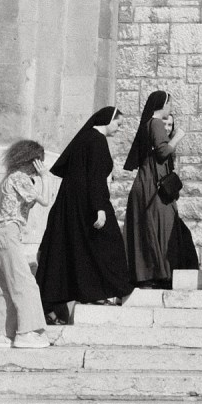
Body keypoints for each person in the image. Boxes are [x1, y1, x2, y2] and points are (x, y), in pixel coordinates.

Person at [38, 108, 134, 318]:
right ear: (108, 120)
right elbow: (95, 177)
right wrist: (99, 208)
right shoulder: (97, 141)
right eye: (118, 124)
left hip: (74, 204)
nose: (119, 129)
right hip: (89, 204)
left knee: (81, 248)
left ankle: (91, 293)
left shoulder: (85, 138)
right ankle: (105, 291)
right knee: (110, 244)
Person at [0, 140, 51, 349]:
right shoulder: (20, 178)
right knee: (25, 283)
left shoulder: (9, 179)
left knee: (4, 287)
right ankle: (27, 332)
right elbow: (45, 200)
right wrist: (45, 177)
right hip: (9, 233)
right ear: (33, 160)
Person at [124, 90, 187, 289]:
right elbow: (163, 151)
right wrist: (177, 137)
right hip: (153, 186)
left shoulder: (148, 124)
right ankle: (160, 274)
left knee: (150, 227)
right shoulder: (156, 123)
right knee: (162, 225)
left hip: (146, 183)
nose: (171, 108)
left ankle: (150, 274)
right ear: (162, 104)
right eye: (169, 104)